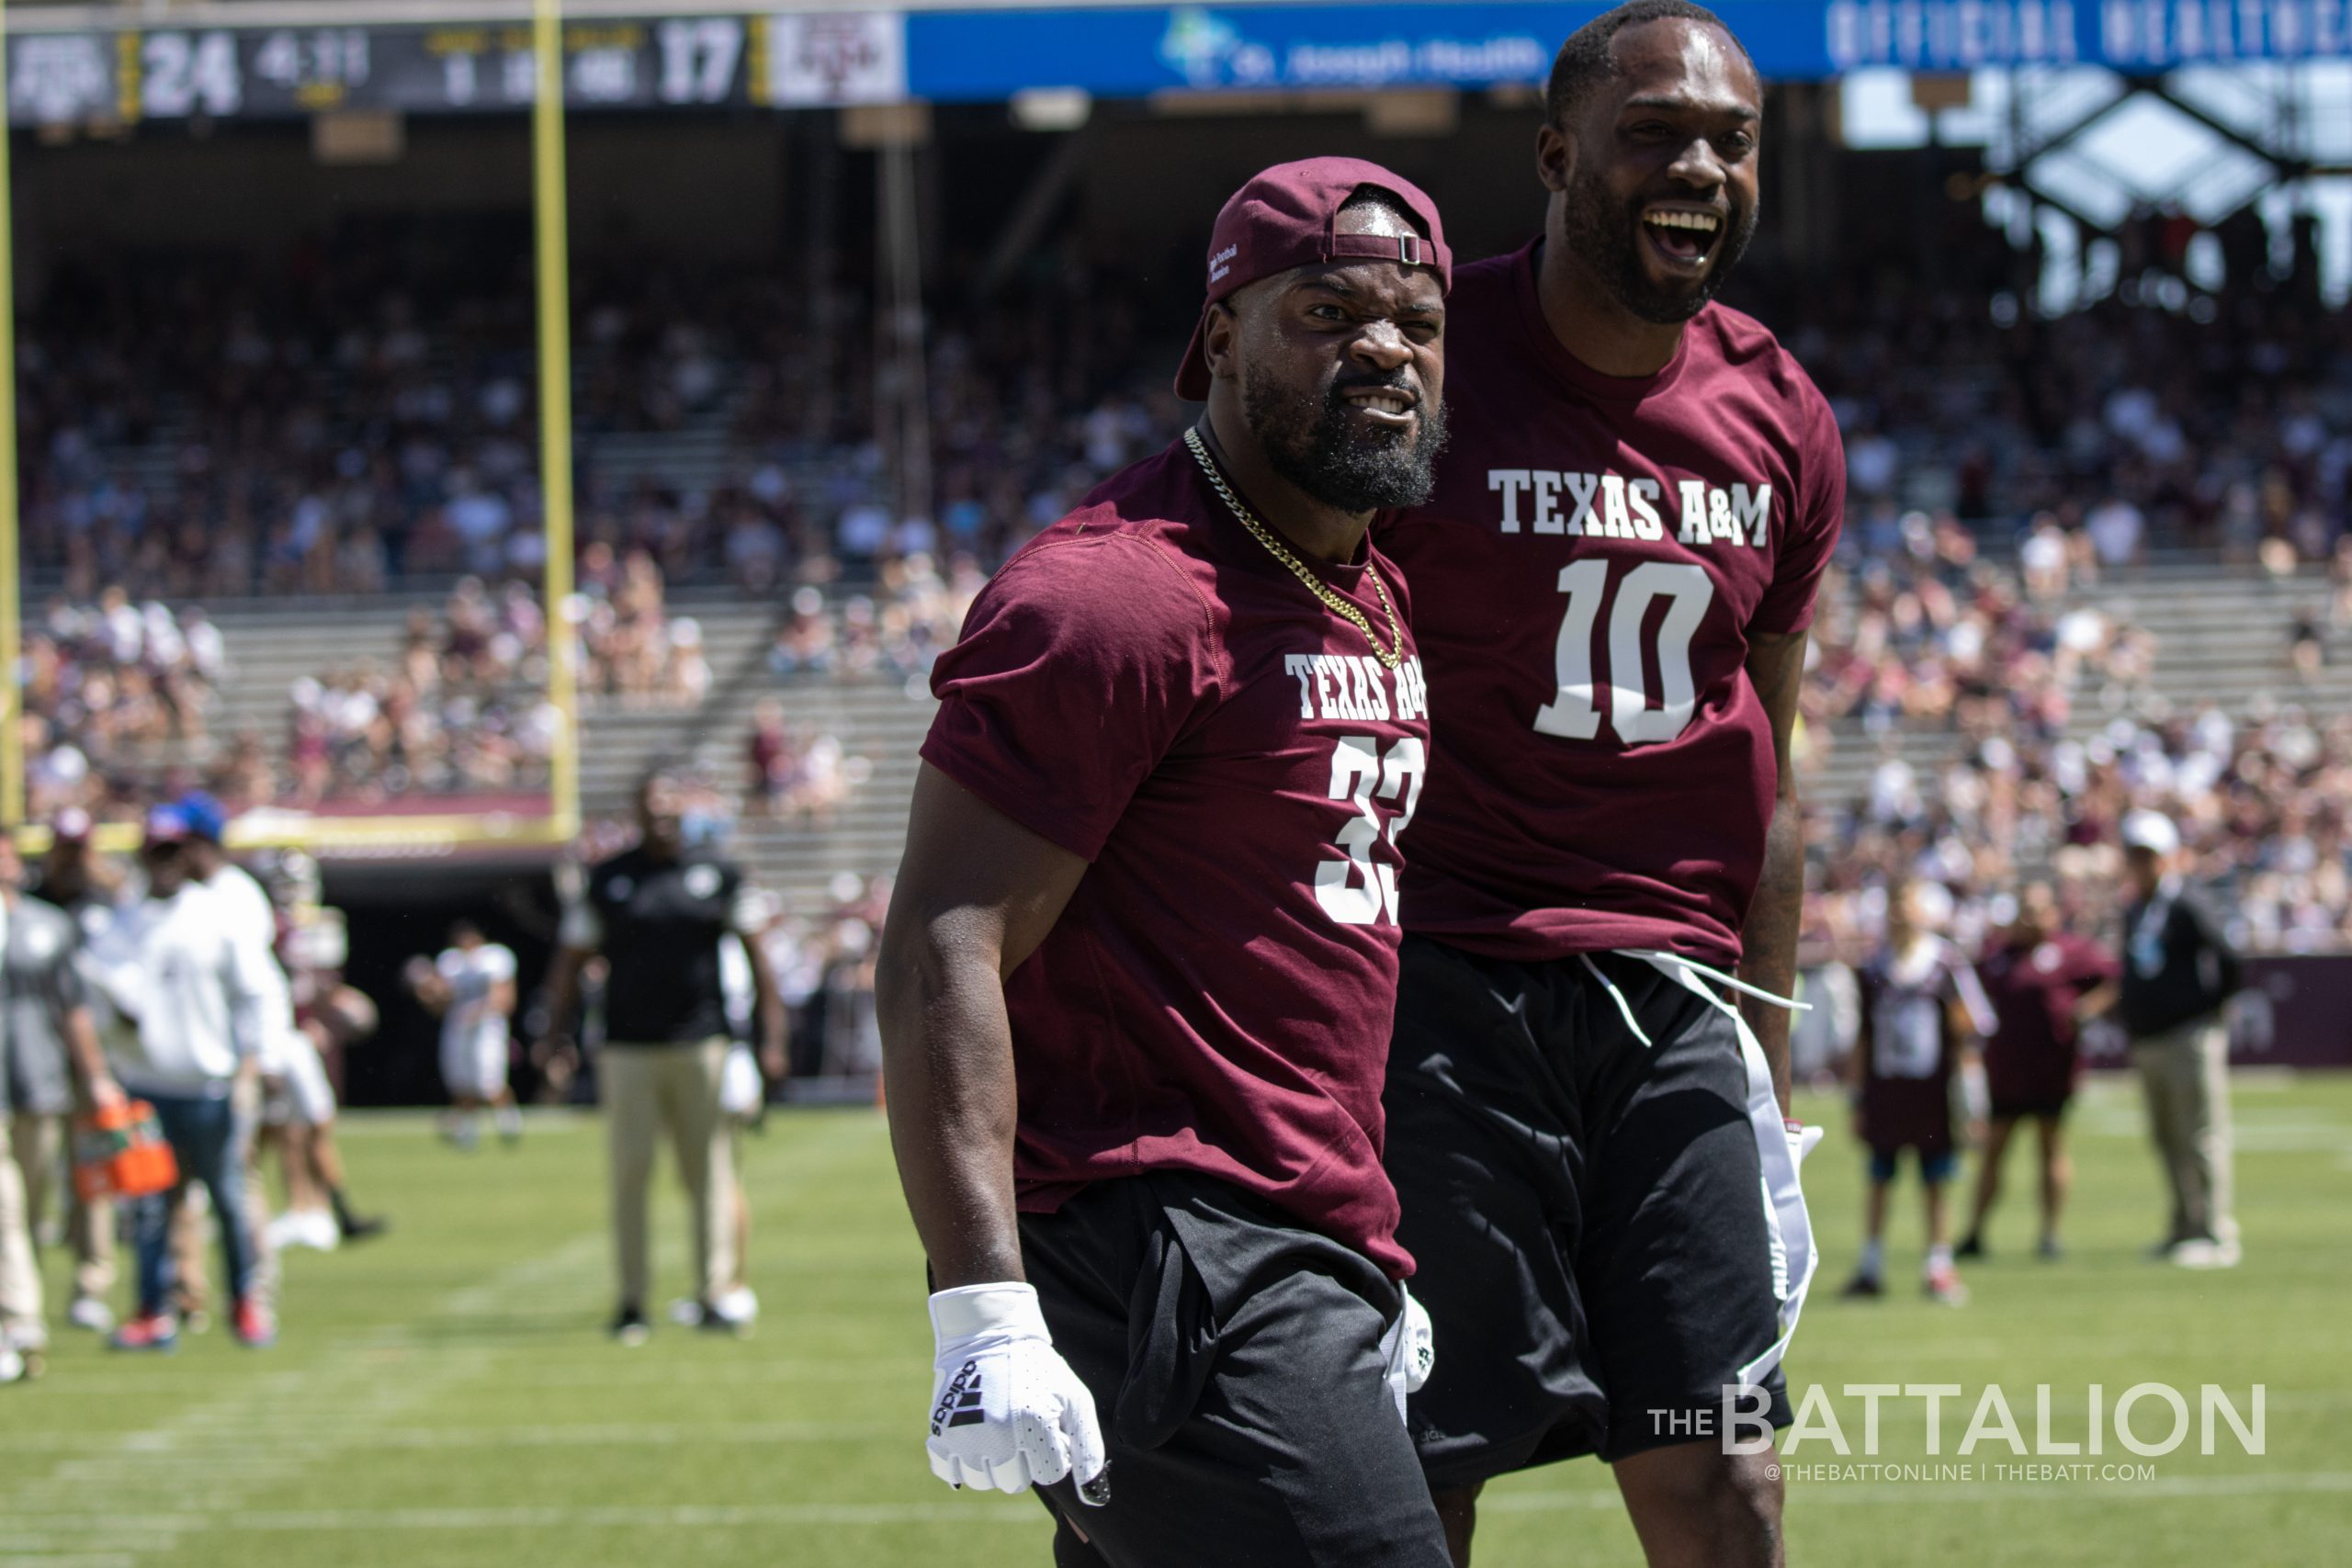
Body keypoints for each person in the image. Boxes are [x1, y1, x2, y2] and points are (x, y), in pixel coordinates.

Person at [878, 159, 1452, 1567]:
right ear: (1217, 342)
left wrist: (1363, 1240)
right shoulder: (1120, 594)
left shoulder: (1363, 581)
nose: (1383, 347)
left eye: (1418, 320)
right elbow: (943, 939)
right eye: (1323, 310)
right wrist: (982, 1308)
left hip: (1292, 1236)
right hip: (1171, 1251)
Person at [1372, 5, 1843, 1561]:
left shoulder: (1783, 415)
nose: (1698, 165)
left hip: (1675, 1014)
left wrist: (1769, 1074)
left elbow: (1767, 776)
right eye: (1655, 133)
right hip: (1443, 989)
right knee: (1423, 1465)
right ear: (1561, 154)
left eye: (1730, 138)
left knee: (1727, 1475)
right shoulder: (1429, 362)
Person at [537, 771, 786, 1343]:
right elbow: (570, 963)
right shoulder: (609, 878)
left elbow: (758, 959)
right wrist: (556, 1032)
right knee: (631, 1174)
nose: (662, 815)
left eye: (670, 805)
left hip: (702, 1042)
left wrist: (771, 1038)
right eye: (652, 806)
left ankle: (714, 1292)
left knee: (711, 1173)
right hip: (627, 1046)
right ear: (638, 812)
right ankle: (631, 1299)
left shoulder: (717, 872)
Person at [86, 805, 278, 1350]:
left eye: (173, 852)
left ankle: (245, 1301)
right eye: (156, 853)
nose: (165, 864)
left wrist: (260, 1059)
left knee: (228, 1198)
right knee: (148, 1211)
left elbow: (256, 987)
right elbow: (104, 989)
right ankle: (153, 1310)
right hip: (145, 1086)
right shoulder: (124, 921)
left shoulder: (215, 915)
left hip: (206, 1083)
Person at [176, 795, 383, 1250]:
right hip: (259, 1037)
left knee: (308, 1124)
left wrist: (327, 1011)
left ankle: (331, 1210)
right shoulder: (239, 904)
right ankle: (258, 1207)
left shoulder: (273, 912)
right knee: (261, 1132)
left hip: (285, 1036)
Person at [0, 833, 121, 1377]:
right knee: (3, 1208)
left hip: (39, 1082)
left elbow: (73, 1010)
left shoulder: (48, 926)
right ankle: (19, 1320)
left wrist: (95, 1076)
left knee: (31, 1204)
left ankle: (29, 1304)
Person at [1840, 882, 1996, 1305]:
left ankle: (1938, 1264)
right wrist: (1855, 1098)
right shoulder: (1873, 966)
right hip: (1886, 1087)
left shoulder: (1944, 963)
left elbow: (1974, 1024)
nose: (1900, 917)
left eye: (1907, 908)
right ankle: (1871, 1265)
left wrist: (1972, 1095)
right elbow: (1862, 1037)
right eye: (1894, 908)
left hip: (1933, 1090)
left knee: (1935, 1179)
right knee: (1878, 1176)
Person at [2103, 809, 2243, 1268]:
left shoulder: (2186, 902)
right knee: (2166, 1138)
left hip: (2188, 1035)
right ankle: (2183, 1226)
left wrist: (2211, 1009)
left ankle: (2215, 1231)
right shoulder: (2135, 909)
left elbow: (2227, 956)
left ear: (2166, 858)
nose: (2141, 865)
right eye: (2134, 856)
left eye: (2148, 856)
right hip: (2150, 1040)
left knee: (2200, 1135)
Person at [1960, 883, 2116, 1260]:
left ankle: (2050, 1233)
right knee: (1994, 1151)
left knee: (2051, 1147)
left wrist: (2086, 1010)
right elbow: (1970, 998)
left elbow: (2111, 981)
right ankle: (1975, 1232)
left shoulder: (2071, 952)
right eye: (2025, 910)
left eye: (2039, 910)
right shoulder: (1997, 957)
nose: (2031, 918)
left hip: (2051, 1071)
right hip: (2006, 1072)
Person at [410, 921, 524, 1151]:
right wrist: (426, 989)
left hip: (487, 1026)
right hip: (458, 1027)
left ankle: (508, 1122)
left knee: (489, 1081)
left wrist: (477, 1012)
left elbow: (504, 998)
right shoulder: (451, 963)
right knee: (461, 1082)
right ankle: (467, 1130)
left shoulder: (495, 958)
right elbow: (441, 1003)